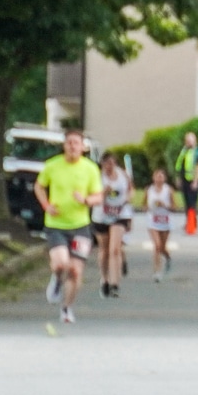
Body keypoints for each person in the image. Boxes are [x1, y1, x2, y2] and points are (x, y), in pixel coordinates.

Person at [34, 128, 102, 324]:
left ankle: (66, 308)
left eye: (76, 143)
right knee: (61, 263)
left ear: (83, 147)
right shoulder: (52, 165)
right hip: (56, 225)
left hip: (81, 227)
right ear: (64, 145)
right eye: (69, 143)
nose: (72, 146)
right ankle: (56, 279)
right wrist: (46, 205)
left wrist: (86, 200)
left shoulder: (90, 168)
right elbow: (39, 186)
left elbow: (98, 196)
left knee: (75, 271)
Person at [94, 152, 133, 297]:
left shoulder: (123, 175)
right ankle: (104, 279)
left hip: (120, 214)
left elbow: (131, 189)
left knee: (115, 249)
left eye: (112, 163)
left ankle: (115, 283)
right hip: (102, 216)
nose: (109, 167)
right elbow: (93, 197)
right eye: (106, 164)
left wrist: (128, 198)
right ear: (102, 164)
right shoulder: (97, 177)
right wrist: (104, 193)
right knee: (104, 250)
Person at [174, 131, 198, 233]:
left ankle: (193, 223)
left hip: (193, 180)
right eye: (187, 141)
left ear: (195, 141)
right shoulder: (184, 151)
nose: (188, 143)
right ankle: (188, 221)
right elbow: (179, 165)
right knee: (187, 202)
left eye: (190, 140)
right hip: (185, 180)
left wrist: (196, 181)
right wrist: (178, 178)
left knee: (192, 203)